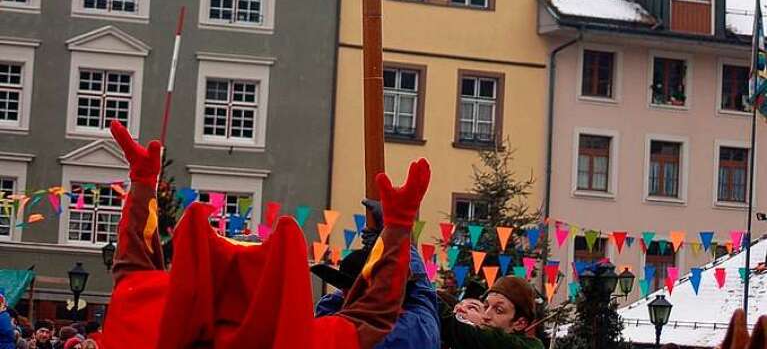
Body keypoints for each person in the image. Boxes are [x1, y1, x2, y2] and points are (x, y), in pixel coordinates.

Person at [103, 119, 431, 349]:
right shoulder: (300, 341)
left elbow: (133, 271)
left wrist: (143, 186)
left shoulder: (154, 327)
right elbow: (374, 314)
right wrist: (398, 228)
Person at [312, 224, 440, 349]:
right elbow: (422, 291)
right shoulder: (420, 327)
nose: (343, 294)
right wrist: (393, 238)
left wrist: (388, 241)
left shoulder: (343, 332)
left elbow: (327, 309)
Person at [440, 276, 544, 348]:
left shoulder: (525, 346)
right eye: (486, 306)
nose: (486, 315)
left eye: (498, 310)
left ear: (520, 323)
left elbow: (450, 323)